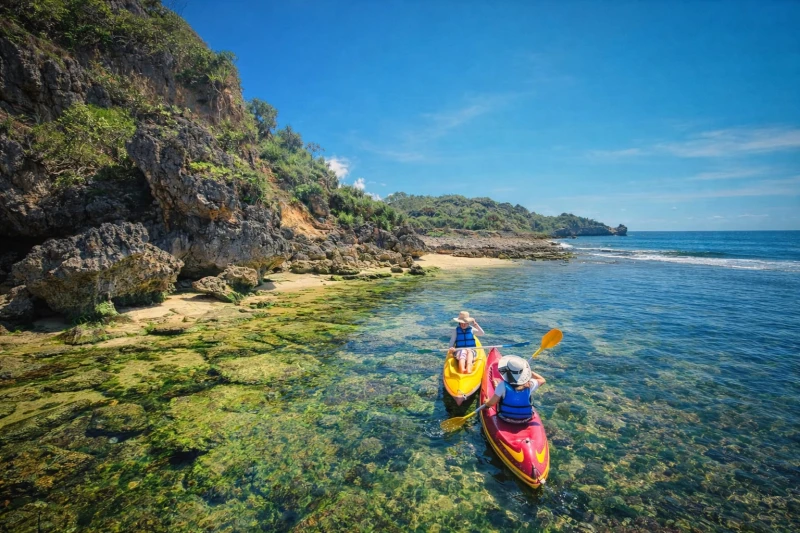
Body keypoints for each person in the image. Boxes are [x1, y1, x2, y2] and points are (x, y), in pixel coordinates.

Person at [481, 355, 546, 423]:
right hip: (526, 418)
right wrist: (529, 372)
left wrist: (486, 403)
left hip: (505, 417)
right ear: (523, 373)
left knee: (495, 398)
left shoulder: (502, 385)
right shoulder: (530, 384)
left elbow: (492, 403)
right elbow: (542, 380)